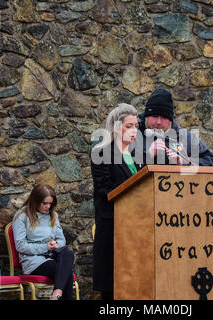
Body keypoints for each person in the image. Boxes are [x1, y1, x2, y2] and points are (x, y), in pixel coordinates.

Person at [91, 103, 142, 300]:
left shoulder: (137, 156)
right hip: (113, 224)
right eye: (129, 126)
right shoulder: (101, 153)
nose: (134, 130)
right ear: (116, 127)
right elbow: (104, 190)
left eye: (136, 126)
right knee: (112, 286)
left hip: (136, 225)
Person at [12, 184, 75, 300]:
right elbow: (20, 246)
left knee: (68, 254)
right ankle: (57, 294)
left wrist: (56, 245)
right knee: (66, 273)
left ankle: (57, 292)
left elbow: (62, 240)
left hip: (53, 255)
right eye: (45, 203)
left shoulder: (53, 215)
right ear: (35, 200)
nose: (48, 207)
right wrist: (45, 247)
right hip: (34, 261)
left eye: (50, 204)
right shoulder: (21, 216)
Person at [138, 87, 213, 166]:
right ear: (146, 117)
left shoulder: (186, 137)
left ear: (170, 120)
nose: (159, 122)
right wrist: (148, 156)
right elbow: (127, 170)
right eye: (155, 116)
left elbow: (210, 161)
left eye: (164, 117)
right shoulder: (134, 135)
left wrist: (183, 162)